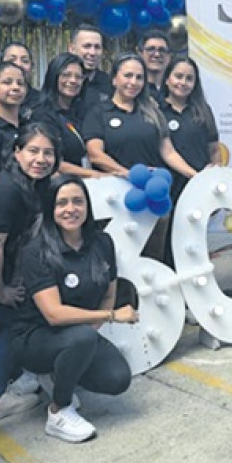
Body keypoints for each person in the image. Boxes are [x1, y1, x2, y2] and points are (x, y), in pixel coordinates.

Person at [11, 174, 137, 443]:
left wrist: (91, 331)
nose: (71, 209)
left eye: (78, 201)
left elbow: (109, 294)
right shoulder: (36, 251)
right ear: (51, 209)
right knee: (81, 338)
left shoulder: (102, 242)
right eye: (62, 203)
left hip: (78, 333)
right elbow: (54, 314)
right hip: (34, 337)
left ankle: (61, 370)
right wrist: (111, 317)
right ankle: (59, 411)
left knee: (117, 379)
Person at [0, 123, 61, 424]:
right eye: (33, 151)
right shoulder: (8, 190)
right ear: (17, 152)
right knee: (9, 327)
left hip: (4, 263)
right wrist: (2, 290)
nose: (41, 159)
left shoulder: (37, 185)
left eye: (48, 153)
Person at [83, 53, 198, 263]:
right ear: (114, 79)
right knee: (118, 261)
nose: (133, 82)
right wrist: (127, 174)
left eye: (139, 77)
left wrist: (195, 176)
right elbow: (95, 154)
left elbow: (168, 152)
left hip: (153, 197)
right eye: (128, 75)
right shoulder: (98, 113)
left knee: (153, 261)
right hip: (114, 199)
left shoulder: (152, 112)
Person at [30, 52, 106, 179]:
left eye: (78, 77)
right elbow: (51, 160)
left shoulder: (84, 111)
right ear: (54, 77)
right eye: (66, 75)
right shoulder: (42, 114)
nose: (73, 81)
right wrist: (96, 174)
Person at [159, 56, 220, 201]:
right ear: (167, 79)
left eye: (189, 79)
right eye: (178, 76)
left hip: (200, 187)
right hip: (168, 186)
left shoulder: (203, 110)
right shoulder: (156, 110)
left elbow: (214, 149)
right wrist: (196, 176)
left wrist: (213, 175)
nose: (183, 83)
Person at [69, 24, 113, 120]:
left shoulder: (111, 85)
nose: (92, 53)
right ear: (72, 49)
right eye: (87, 46)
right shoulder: (61, 83)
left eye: (97, 47)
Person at [138, 29, 172, 98]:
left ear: (169, 56)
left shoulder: (175, 91)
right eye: (151, 49)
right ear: (140, 54)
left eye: (162, 50)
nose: (157, 54)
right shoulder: (134, 90)